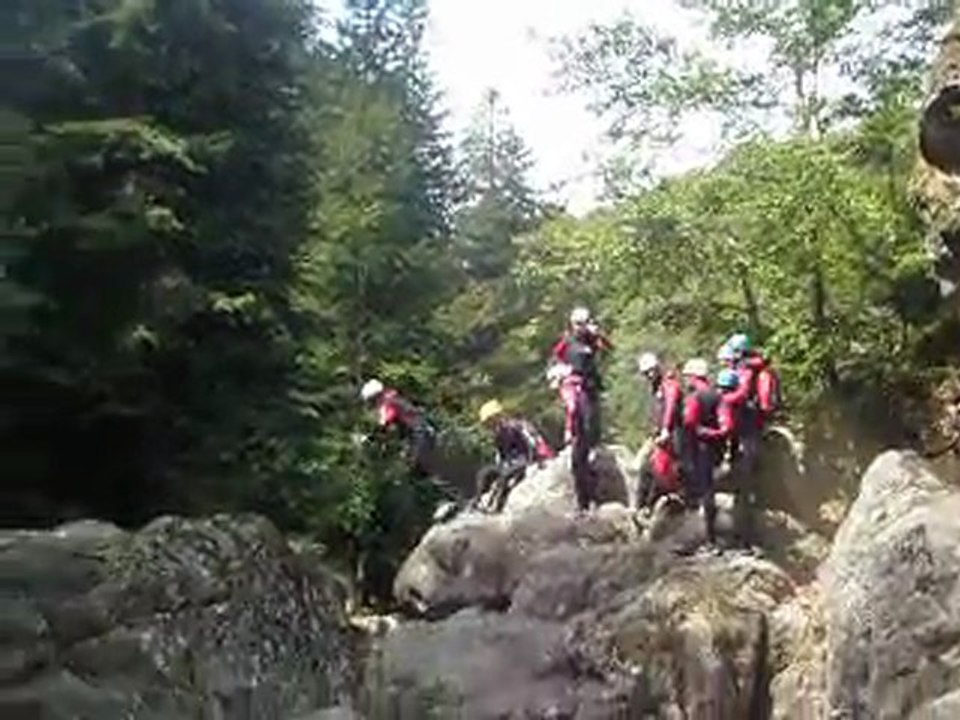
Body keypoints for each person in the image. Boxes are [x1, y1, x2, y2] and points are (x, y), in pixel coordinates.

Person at [473, 400, 555, 512]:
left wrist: (539, 458)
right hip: (511, 462)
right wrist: (500, 466)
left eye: (490, 420)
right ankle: (478, 501)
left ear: (497, 416)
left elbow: (532, 441)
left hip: (525, 459)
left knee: (505, 475)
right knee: (483, 473)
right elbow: (501, 454)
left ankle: (497, 507)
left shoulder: (517, 426)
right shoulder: (498, 434)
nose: (489, 425)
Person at [551, 306, 612, 449]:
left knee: (593, 418)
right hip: (574, 381)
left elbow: (608, 349)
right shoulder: (567, 341)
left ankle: (594, 444)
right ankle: (574, 438)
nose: (580, 327)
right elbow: (555, 356)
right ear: (572, 324)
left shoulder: (592, 338)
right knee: (576, 410)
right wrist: (558, 374)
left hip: (591, 382)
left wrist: (599, 335)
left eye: (583, 323)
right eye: (577, 324)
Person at [680, 358, 722, 549]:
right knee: (709, 489)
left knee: (700, 491)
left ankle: (705, 537)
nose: (685, 379)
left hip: (697, 447)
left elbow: (689, 421)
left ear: (694, 376)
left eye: (687, 376)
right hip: (713, 446)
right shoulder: (715, 394)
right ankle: (711, 535)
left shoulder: (695, 396)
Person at [359, 378, 437, 478]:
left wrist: (370, 438)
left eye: (371, 401)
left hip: (419, 434)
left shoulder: (387, 403)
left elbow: (384, 424)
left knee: (414, 471)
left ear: (375, 397)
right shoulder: (396, 397)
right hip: (427, 430)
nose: (372, 405)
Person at [637, 352, 684, 508]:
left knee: (661, 470)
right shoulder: (657, 386)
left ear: (658, 368)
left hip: (672, 433)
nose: (649, 375)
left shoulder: (669, 384)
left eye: (651, 371)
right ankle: (643, 507)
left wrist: (665, 429)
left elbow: (670, 406)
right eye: (646, 373)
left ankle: (650, 506)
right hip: (660, 435)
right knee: (645, 468)